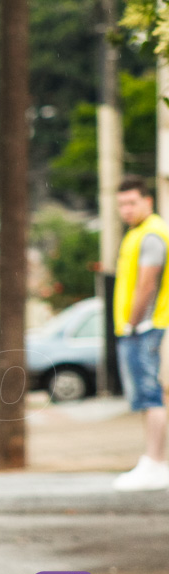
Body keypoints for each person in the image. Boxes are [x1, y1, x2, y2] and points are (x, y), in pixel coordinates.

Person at [113, 175, 169, 491]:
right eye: (121, 204)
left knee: (150, 395)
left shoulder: (151, 235)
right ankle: (152, 461)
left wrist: (133, 323)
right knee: (149, 396)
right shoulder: (139, 233)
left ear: (148, 201)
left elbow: (147, 284)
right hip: (142, 327)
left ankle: (157, 462)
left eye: (132, 202)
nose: (126, 209)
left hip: (146, 327)